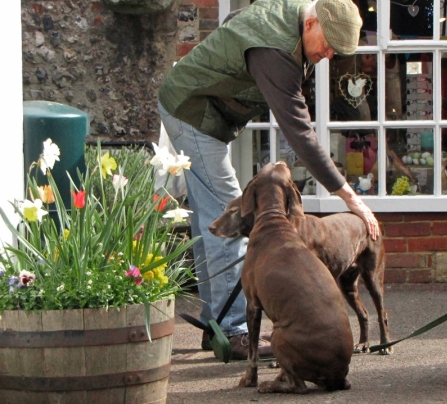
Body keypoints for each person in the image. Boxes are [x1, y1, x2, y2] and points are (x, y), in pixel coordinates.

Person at [157, 0, 380, 360]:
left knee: (207, 221)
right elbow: (300, 133)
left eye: (335, 52)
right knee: (235, 212)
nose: (327, 55)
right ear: (311, 25)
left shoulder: (288, 16)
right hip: (191, 112)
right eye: (327, 44)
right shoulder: (275, 50)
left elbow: (233, 19)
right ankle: (234, 331)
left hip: (198, 108)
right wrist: (350, 198)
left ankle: (216, 325)